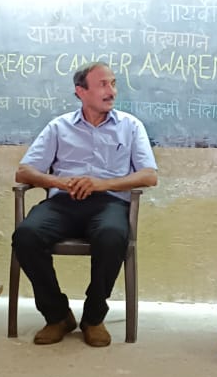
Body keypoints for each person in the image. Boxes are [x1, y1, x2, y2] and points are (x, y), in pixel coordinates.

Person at [12, 63, 158, 347]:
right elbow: (24, 171)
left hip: (109, 202)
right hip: (63, 201)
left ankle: (93, 317)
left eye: (113, 83)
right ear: (81, 91)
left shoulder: (130, 126)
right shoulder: (59, 126)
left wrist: (103, 184)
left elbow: (149, 175)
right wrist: (60, 182)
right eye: (103, 84)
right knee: (26, 235)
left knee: (112, 236)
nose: (111, 91)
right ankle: (57, 315)